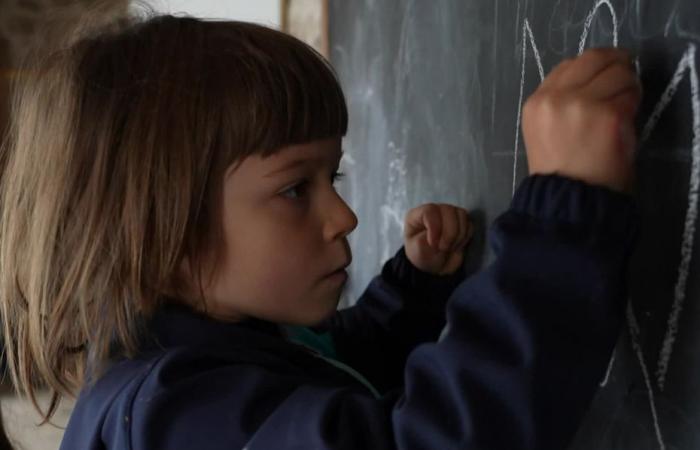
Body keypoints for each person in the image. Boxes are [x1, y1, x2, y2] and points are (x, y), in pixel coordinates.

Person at [0, 9, 641, 450]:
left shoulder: (210, 347)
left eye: (331, 178)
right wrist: (564, 214)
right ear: (158, 236)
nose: (345, 217)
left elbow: (330, 360)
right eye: (293, 189)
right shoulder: (173, 421)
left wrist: (412, 289)